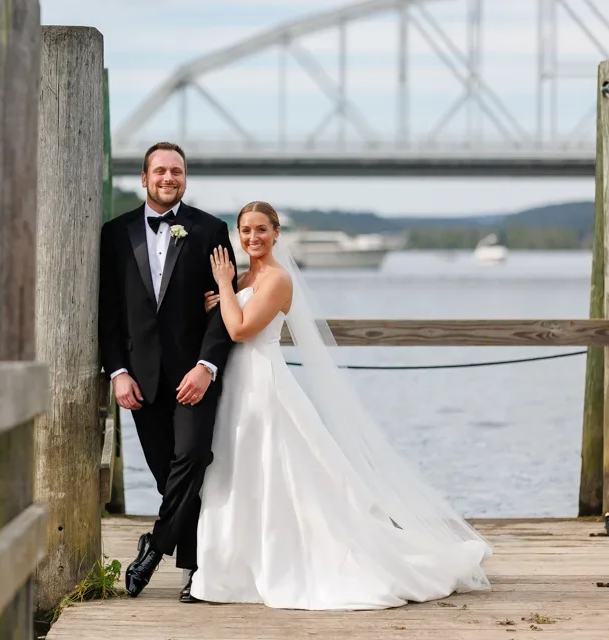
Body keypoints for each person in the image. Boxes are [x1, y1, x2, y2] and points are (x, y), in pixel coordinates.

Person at [191, 200, 493, 609]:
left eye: (261, 229)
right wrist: (220, 298)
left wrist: (224, 287)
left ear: (277, 233)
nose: (252, 237)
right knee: (238, 469)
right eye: (245, 230)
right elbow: (225, 323)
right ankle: (236, 569)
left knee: (277, 469)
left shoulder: (277, 279)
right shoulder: (245, 278)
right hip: (234, 385)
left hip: (263, 384)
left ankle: (288, 562)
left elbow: (241, 330)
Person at [97, 141, 237, 602]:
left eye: (176, 171)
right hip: (140, 379)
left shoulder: (210, 230)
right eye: (159, 170)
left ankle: (155, 549)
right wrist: (117, 371)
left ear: (184, 178)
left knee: (193, 458)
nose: (168, 178)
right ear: (144, 178)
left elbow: (225, 308)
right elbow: (108, 312)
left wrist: (207, 366)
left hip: (194, 375)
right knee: (169, 477)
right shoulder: (114, 234)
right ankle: (193, 572)